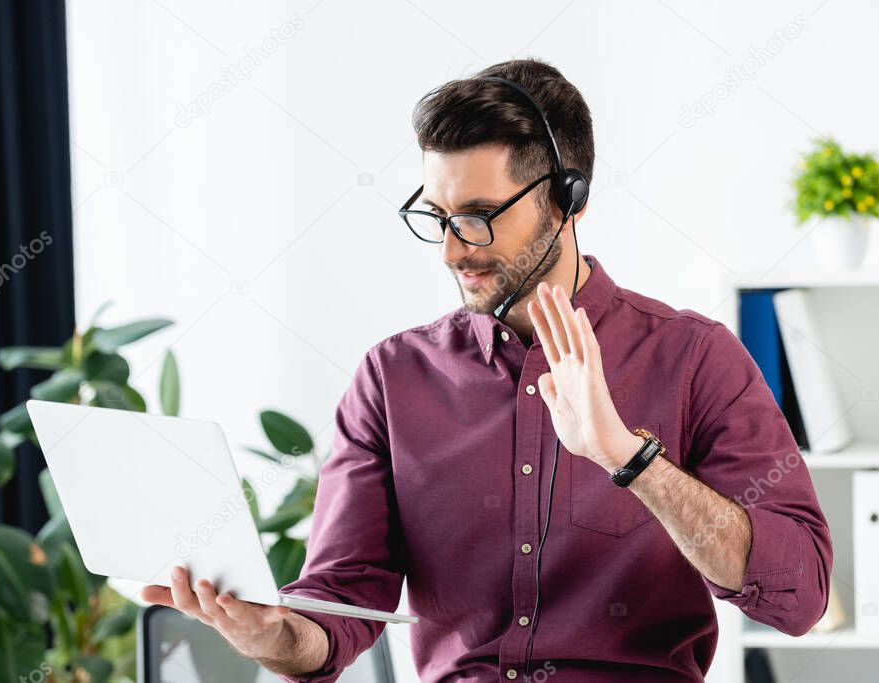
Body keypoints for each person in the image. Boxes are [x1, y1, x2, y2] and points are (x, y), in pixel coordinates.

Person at [141, 58, 832, 682]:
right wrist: (272, 634)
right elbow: (342, 602)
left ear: (569, 200)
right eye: (436, 216)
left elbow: (800, 592)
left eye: (476, 217)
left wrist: (627, 456)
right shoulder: (392, 379)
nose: (449, 251)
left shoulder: (694, 358)